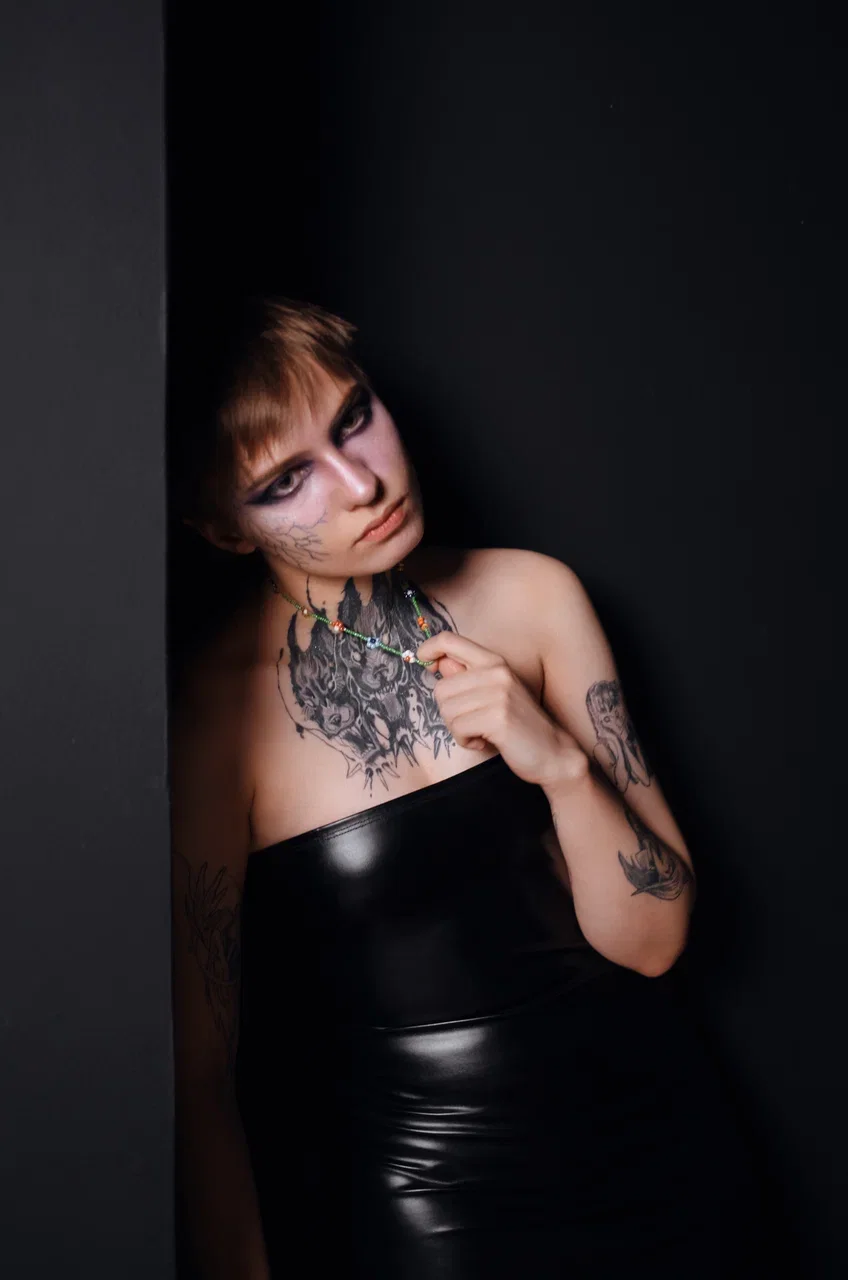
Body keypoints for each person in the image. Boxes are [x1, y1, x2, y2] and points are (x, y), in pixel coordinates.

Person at [169, 296, 764, 1279]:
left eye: (353, 418)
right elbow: (201, 1083)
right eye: (286, 480)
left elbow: (655, 940)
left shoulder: (531, 596)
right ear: (224, 528)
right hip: (434, 1205)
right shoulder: (211, 720)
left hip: (663, 1146)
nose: (361, 483)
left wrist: (560, 765)